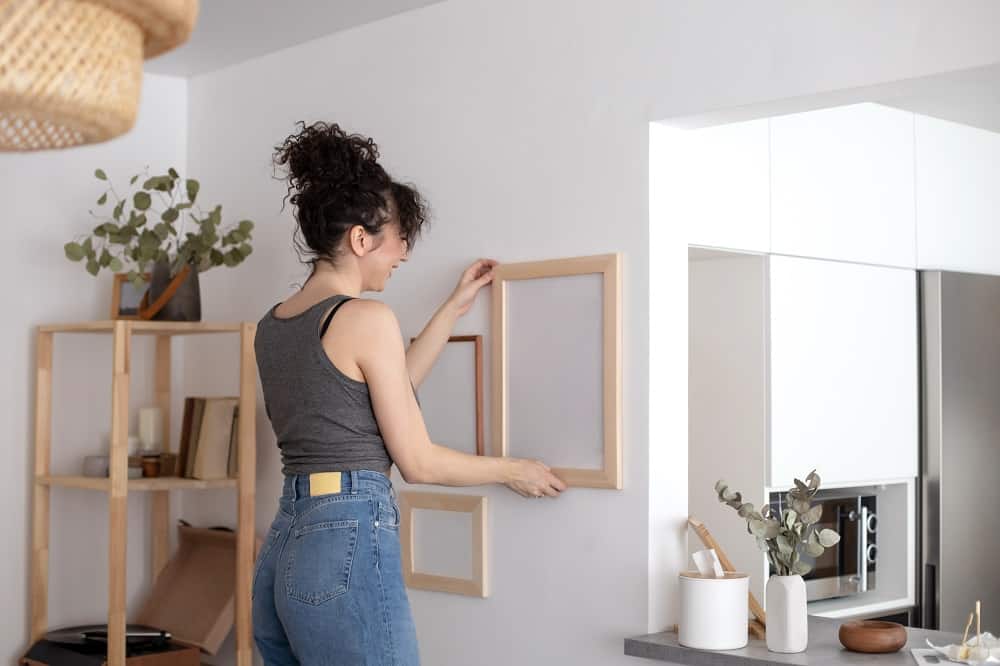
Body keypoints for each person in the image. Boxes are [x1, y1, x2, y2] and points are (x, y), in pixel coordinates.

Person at [251, 121, 566, 665]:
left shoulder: (274, 324)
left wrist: (451, 310)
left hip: (289, 539)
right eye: (398, 237)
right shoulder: (364, 318)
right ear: (360, 239)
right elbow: (417, 461)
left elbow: (373, 399)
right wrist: (516, 469)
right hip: (345, 529)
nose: (403, 253)